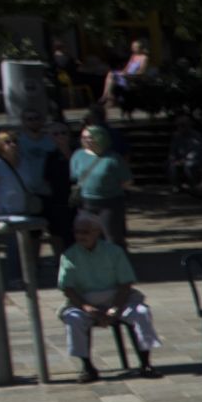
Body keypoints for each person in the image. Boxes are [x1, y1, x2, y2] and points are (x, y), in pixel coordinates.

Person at [55, 211, 158, 382]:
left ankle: (146, 363)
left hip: (118, 298)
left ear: (97, 232)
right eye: (77, 232)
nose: (80, 236)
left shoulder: (114, 252)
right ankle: (87, 367)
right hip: (85, 301)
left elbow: (125, 284)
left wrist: (115, 308)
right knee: (73, 319)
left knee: (141, 313)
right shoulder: (70, 255)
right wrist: (89, 309)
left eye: (85, 232)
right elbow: (68, 289)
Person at [69, 122, 132, 241]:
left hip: (110, 203)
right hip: (86, 203)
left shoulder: (113, 158)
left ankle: (116, 259)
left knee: (111, 236)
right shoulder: (78, 155)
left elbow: (126, 181)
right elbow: (74, 177)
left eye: (90, 137)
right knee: (90, 236)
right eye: (84, 137)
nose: (87, 140)